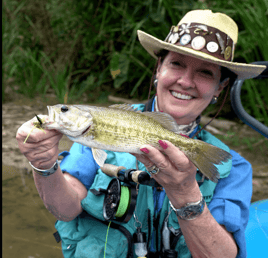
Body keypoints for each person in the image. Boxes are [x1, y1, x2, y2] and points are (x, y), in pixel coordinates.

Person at [16, 9, 266, 258]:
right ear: (159, 69)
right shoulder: (88, 134)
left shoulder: (234, 169)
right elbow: (65, 210)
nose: (186, 81)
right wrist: (44, 165)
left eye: (204, 72)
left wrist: (186, 195)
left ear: (220, 88)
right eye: (176, 64)